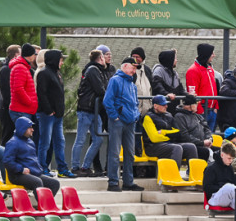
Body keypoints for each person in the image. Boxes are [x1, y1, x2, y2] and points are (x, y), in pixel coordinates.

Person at [104, 57, 143, 193]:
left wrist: (135, 116)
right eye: (132, 67)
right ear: (125, 66)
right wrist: (115, 117)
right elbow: (107, 100)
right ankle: (113, 182)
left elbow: (135, 102)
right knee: (114, 153)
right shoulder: (115, 80)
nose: (134, 70)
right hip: (119, 122)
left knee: (130, 154)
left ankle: (128, 182)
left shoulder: (132, 84)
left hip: (130, 121)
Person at [34, 49, 74, 177]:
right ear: (54, 60)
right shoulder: (44, 73)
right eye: (60, 60)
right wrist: (49, 110)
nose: (62, 63)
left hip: (57, 115)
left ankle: (62, 168)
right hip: (47, 114)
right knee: (44, 142)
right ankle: (42, 168)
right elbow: (41, 93)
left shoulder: (57, 73)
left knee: (59, 142)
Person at [72, 50, 108, 176]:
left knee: (98, 140)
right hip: (86, 110)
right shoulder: (93, 70)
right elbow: (100, 89)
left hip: (95, 110)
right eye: (104, 57)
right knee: (80, 140)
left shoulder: (99, 71)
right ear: (100, 58)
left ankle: (85, 167)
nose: (106, 59)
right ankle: (75, 167)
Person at [3, 116, 59, 196]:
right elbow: (7, 161)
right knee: (37, 182)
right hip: (17, 175)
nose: (32, 129)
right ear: (22, 128)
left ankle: (47, 204)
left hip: (32, 173)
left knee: (54, 183)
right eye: (29, 127)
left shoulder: (30, 141)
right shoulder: (13, 143)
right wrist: (21, 169)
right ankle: (42, 206)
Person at [142, 95, 198, 166]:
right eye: (163, 105)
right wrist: (171, 135)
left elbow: (178, 133)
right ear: (155, 106)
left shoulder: (169, 115)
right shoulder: (148, 117)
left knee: (191, 147)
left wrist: (163, 132)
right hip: (152, 147)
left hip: (168, 144)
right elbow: (154, 138)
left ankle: (194, 174)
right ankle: (172, 175)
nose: (166, 106)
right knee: (177, 148)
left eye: (166, 104)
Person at [186, 44, 219, 130]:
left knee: (212, 138)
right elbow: (192, 93)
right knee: (203, 137)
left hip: (212, 110)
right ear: (206, 54)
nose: (214, 55)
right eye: (212, 53)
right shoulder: (193, 71)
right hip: (203, 110)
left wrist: (216, 107)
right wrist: (200, 111)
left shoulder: (210, 69)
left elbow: (214, 89)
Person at [173, 94, 214, 161]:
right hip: (192, 145)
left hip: (203, 144)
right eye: (196, 103)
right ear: (191, 106)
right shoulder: (179, 116)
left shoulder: (198, 116)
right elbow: (185, 136)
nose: (197, 105)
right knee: (206, 152)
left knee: (221, 151)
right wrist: (202, 142)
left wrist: (209, 139)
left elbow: (207, 129)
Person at [9, 43, 38, 129]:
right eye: (34, 54)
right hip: (21, 110)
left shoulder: (22, 67)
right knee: (23, 137)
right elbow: (18, 89)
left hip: (23, 109)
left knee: (25, 137)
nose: (35, 57)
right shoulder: (20, 68)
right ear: (30, 55)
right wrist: (29, 102)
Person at [0, 44, 21, 143]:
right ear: (15, 55)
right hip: (8, 109)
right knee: (8, 134)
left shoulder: (14, 68)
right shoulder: (6, 70)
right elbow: (6, 91)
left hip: (13, 107)